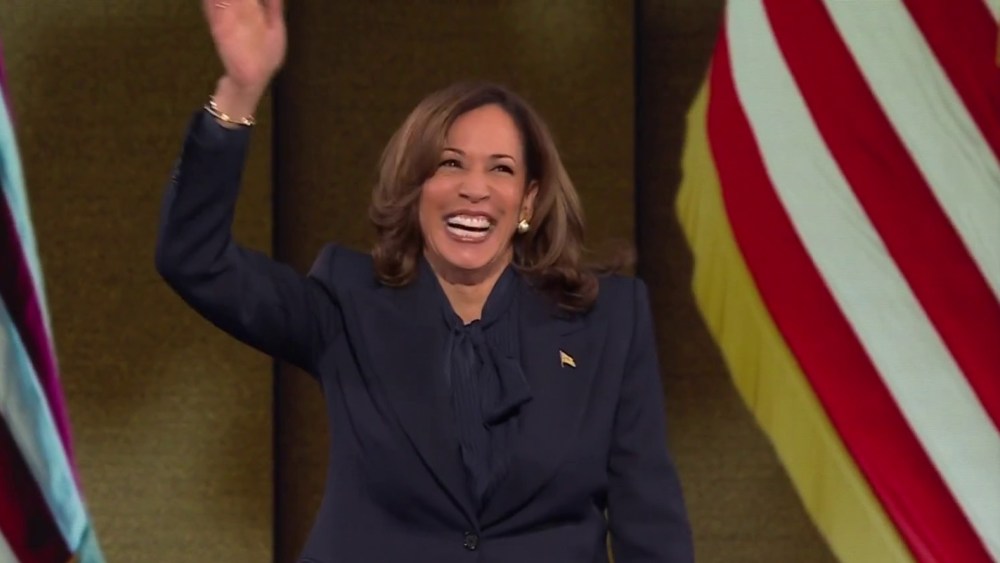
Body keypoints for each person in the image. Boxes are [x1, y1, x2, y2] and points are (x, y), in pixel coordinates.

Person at [155, 0, 694, 561]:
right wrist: (239, 93)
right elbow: (194, 260)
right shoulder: (348, 304)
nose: (474, 189)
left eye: (501, 169)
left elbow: (650, 525)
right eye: (449, 164)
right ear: (414, 189)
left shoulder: (609, 321)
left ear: (528, 202)